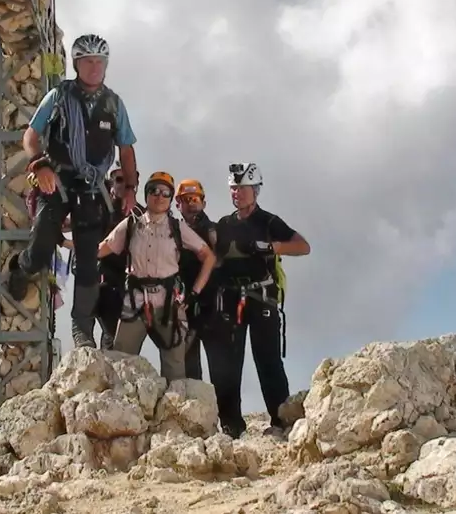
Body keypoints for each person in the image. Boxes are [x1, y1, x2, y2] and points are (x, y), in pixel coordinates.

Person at [7, 33, 139, 349]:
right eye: (87, 61)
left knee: (89, 261)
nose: (94, 68)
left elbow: (126, 149)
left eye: (99, 61)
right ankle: (23, 266)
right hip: (56, 180)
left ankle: (82, 330)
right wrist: (39, 164)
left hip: (92, 188)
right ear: (77, 64)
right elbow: (31, 135)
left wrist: (131, 188)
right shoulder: (58, 95)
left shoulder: (113, 104)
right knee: (41, 243)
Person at [207, 163, 310, 439]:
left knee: (268, 362)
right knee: (228, 364)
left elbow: (302, 246)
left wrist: (273, 246)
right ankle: (231, 425)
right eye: (233, 188)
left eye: (242, 188)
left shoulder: (268, 221)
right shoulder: (224, 224)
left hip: (262, 299)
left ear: (255, 190)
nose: (236, 193)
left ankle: (281, 421)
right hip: (230, 300)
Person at [97, 172, 216, 381]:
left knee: (175, 371)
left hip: (168, 304)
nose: (159, 196)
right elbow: (102, 248)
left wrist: (195, 293)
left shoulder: (177, 228)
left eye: (165, 193)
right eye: (154, 191)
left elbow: (208, 257)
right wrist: (66, 243)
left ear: (170, 199)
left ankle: (174, 412)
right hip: (135, 303)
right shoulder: (131, 224)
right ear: (146, 194)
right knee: (120, 365)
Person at [95, 165, 145, 350]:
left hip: (135, 286)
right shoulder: (100, 211)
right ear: (110, 183)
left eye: (129, 179)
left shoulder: (144, 215)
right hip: (105, 283)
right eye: (118, 179)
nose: (123, 185)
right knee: (110, 339)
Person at [175, 179, 217, 380]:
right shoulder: (172, 232)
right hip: (185, 307)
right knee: (188, 368)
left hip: (214, 308)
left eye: (195, 198)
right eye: (186, 199)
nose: (191, 203)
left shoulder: (216, 232)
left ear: (204, 202)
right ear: (178, 204)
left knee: (221, 370)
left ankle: (226, 412)